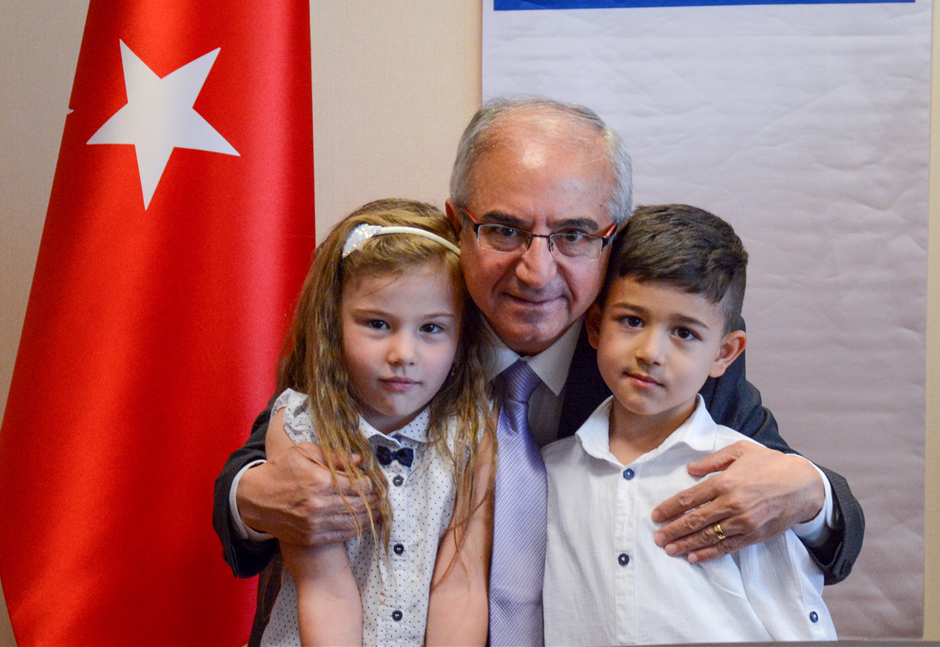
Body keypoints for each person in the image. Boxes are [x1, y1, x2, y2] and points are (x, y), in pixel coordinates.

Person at [214, 97, 864, 645]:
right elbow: (258, 470)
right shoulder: (405, 332)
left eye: (574, 235)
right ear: (457, 224)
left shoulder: (660, 360)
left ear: (612, 239)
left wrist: (811, 495)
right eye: (504, 229)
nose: (536, 270)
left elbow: (821, 521)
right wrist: (254, 497)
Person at [543, 204, 836, 645]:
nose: (651, 352)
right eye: (632, 321)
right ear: (596, 326)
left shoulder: (748, 478)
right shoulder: (548, 472)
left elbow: (794, 618)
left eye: (684, 333)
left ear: (724, 354)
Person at [255, 199, 494, 646]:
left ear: (462, 335)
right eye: (378, 324)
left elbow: (460, 587)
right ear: (333, 323)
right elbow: (326, 592)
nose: (403, 354)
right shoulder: (301, 426)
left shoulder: (471, 433)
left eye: (432, 328)